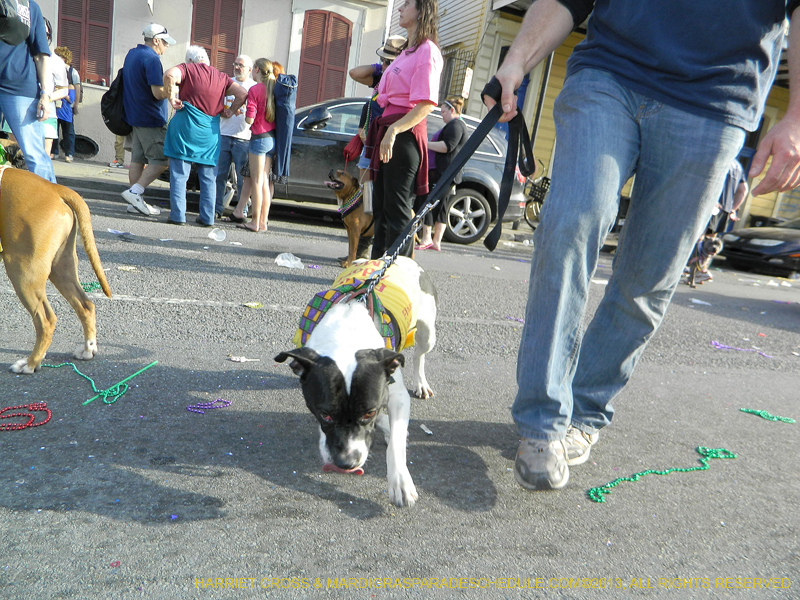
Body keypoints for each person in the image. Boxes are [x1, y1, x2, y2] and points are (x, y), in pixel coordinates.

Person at [486, 0, 800, 492]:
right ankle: (542, 421)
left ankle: (584, 412)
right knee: (570, 223)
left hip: (715, 102)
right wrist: (516, 59)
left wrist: (796, 115)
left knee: (648, 276)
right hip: (609, 72)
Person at [365, 0, 442, 259]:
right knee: (382, 212)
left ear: (421, 10)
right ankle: (375, 273)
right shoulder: (406, 53)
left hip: (403, 137)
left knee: (397, 214)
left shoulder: (427, 51)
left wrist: (393, 131)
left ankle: (401, 279)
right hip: (389, 132)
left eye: (407, 3)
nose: (400, 7)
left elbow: (426, 104)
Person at [162, 46, 247, 226]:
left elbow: (170, 75)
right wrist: (230, 111)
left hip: (185, 128)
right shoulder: (221, 77)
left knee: (179, 174)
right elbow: (243, 94)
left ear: (191, 61)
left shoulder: (187, 69)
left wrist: (171, 97)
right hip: (209, 133)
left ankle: (178, 216)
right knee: (209, 176)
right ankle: (207, 217)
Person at [120, 23, 177, 217]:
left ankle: (134, 202)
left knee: (138, 159)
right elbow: (157, 93)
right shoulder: (152, 59)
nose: (166, 47)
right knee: (162, 160)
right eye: (165, 43)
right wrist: (171, 88)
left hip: (134, 116)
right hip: (151, 118)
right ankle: (135, 193)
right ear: (156, 41)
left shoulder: (132, 54)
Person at [0, 1, 57, 182]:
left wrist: (45, 95)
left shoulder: (29, 7)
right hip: (18, 87)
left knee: (34, 154)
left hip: (19, 87)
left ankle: (51, 203)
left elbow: (41, 55)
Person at [414, 96, 468, 251]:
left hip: (443, 172)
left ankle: (426, 239)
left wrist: (425, 144)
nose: (442, 115)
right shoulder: (457, 125)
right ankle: (436, 242)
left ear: (452, 110)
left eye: (444, 111)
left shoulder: (455, 125)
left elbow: (447, 146)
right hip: (447, 173)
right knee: (442, 206)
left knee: (429, 202)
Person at [349, 35, 406, 179]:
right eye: (383, 60)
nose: (384, 64)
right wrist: (379, 67)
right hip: (372, 147)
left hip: (391, 149)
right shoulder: (381, 79)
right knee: (365, 190)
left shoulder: (404, 84)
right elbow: (354, 73)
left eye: (388, 61)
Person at [236, 58, 278, 233]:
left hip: (259, 137)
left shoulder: (255, 89)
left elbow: (250, 119)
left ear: (258, 70)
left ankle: (254, 222)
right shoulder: (274, 89)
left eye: (253, 68)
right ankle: (263, 222)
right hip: (272, 138)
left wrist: (245, 112)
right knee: (265, 182)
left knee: (256, 181)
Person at [215, 54, 255, 221]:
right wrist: (224, 111)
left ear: (250, 70)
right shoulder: (226, 82)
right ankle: (215, 209)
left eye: (241, 65)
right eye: (235, 64)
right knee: (219, 175)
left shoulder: (254, 87)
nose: (237, 67)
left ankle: (242, 210)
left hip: (244, 137)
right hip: (223, 133)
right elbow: (216, 104)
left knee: (243, 178)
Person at [42, 19, 70, 160]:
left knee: (43, 159)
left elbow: (64, 90)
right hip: (19, 111)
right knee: (16, 157)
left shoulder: (56, 60)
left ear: (49, 36)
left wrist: (47, 98)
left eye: (44, 33)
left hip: (47, 114)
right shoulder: (19, 54)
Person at [53, 46, 80, 162]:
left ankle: (69, 153)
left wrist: (76, 105)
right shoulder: (53, 68)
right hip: (55, 104)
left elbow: (77, 89)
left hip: (66, 106)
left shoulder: (72, 72)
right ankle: (54, 152)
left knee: (68, 132)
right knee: (54, 130)